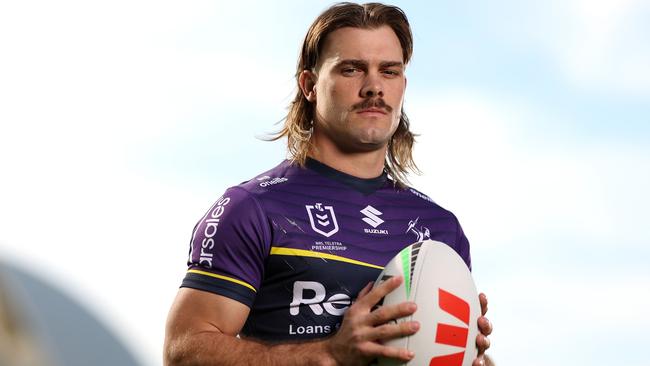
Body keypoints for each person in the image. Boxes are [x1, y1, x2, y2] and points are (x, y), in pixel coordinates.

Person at [164, 2, 492, 365]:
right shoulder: (253, 208)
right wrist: (329, 353)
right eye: (351, 69)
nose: (373, 87)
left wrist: (472, 357)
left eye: (389, 72)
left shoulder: (440, 229)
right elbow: (184, 351)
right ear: (309, 85)